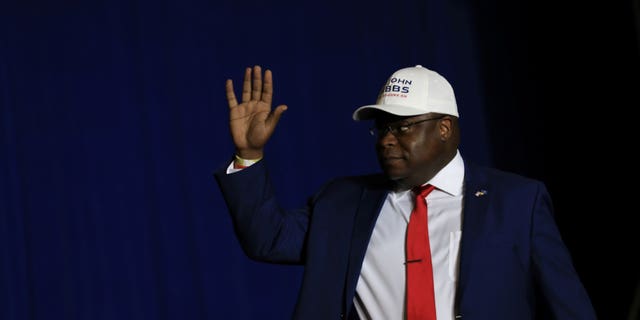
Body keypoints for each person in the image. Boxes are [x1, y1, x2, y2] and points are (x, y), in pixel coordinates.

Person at [214, 65, 597, 319]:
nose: (386, 141)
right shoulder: (343, 202)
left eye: (403, 127)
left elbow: (569, 309)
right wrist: (249, 154)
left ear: (445, 128)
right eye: (381, 128)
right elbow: (268, 239)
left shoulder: (517, 202)